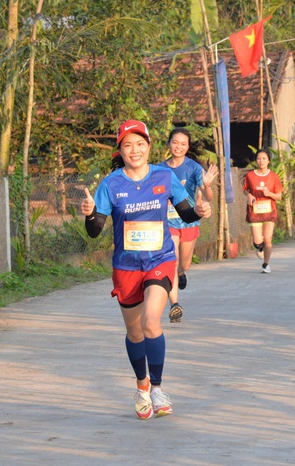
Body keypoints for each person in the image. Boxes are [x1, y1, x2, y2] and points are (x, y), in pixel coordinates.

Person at [80, 119, 211, 420]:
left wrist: (199, 211)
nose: (134, 150)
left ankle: (158, 388)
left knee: (152, 321)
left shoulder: (164, 176)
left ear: (150, 146)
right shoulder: (111, 184)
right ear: (121, 150)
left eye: (140, 144)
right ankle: (142, 385)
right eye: (128, 145)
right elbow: (94, 231)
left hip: (160, 259)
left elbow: (185, 211)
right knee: (134, 332)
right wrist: (89, 215)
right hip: (126, 266)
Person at [158, 128, 218, 323]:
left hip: (189, 220)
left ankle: (182, 273)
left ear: (188, 147)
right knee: (171, 262)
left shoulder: (193, 168)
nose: (179, 147)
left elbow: (209, 197)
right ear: (169, 143)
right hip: (168, 223)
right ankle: (174, 305)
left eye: (183, 144)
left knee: (183, 264)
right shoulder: (159, 170)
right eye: (175, 142)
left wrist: (207, 185)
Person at [242, 148, 283, 273]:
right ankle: (259, 248)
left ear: (269, 161)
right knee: (258, 240)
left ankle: (266, 264)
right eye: (259, 158)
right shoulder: (250, 175)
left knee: (268, 239)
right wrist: (248, 195)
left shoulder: (273, 177)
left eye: (264, 158)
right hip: (255, 212)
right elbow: (245, 189)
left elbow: (279, 196)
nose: (261, 161)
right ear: (256, 160)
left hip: (269, 212)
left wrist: (269, 193)